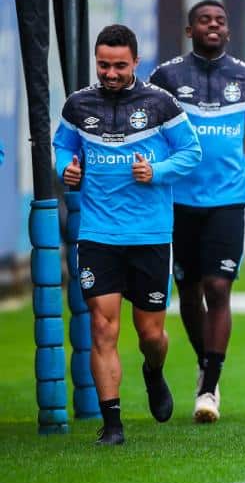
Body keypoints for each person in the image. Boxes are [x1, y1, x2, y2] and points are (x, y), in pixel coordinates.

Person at [54, 24, 202, 444]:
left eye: (120, 65)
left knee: (151, 335)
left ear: (136, 62)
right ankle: (112, 423)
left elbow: (191, 153)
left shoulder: (160, 104)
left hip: (151, 236)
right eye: (104, 65)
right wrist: (68, 168)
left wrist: (156, 172)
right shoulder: (78, 105)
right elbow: (63, 147)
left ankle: (153, 372)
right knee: (103, 329)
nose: (111, 73)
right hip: (98, 234)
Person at [148, 0, 245, 424]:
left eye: (220, 19)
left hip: (227, 199)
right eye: (204, 20)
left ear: (229, 30)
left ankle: (208, 386)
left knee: (218, 287)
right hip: (178, 201)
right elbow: (151, 129)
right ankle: (206, 361)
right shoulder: (165, 77)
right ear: (190, 30)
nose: (213, 25)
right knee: (189, 290)